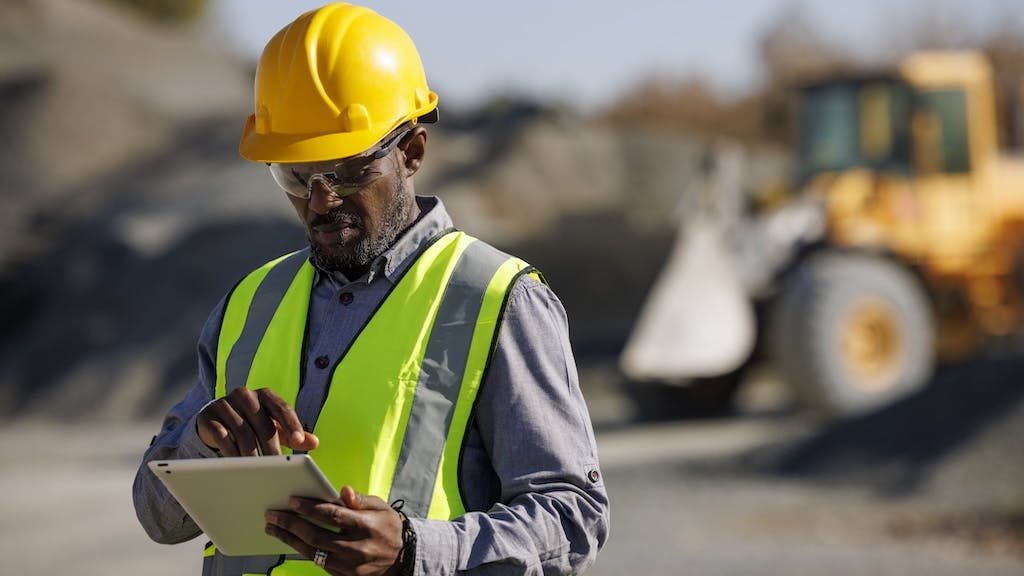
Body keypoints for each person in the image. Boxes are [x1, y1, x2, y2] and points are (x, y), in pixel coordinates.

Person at [132, 3, 610, 575]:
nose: (320, 202)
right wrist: (203, 446)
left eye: (347, 172)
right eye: (294, 176)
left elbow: (572, 518)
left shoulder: (497, 301)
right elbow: (157, 517)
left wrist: (414, 551)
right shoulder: (249, 304)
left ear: (411, 153)